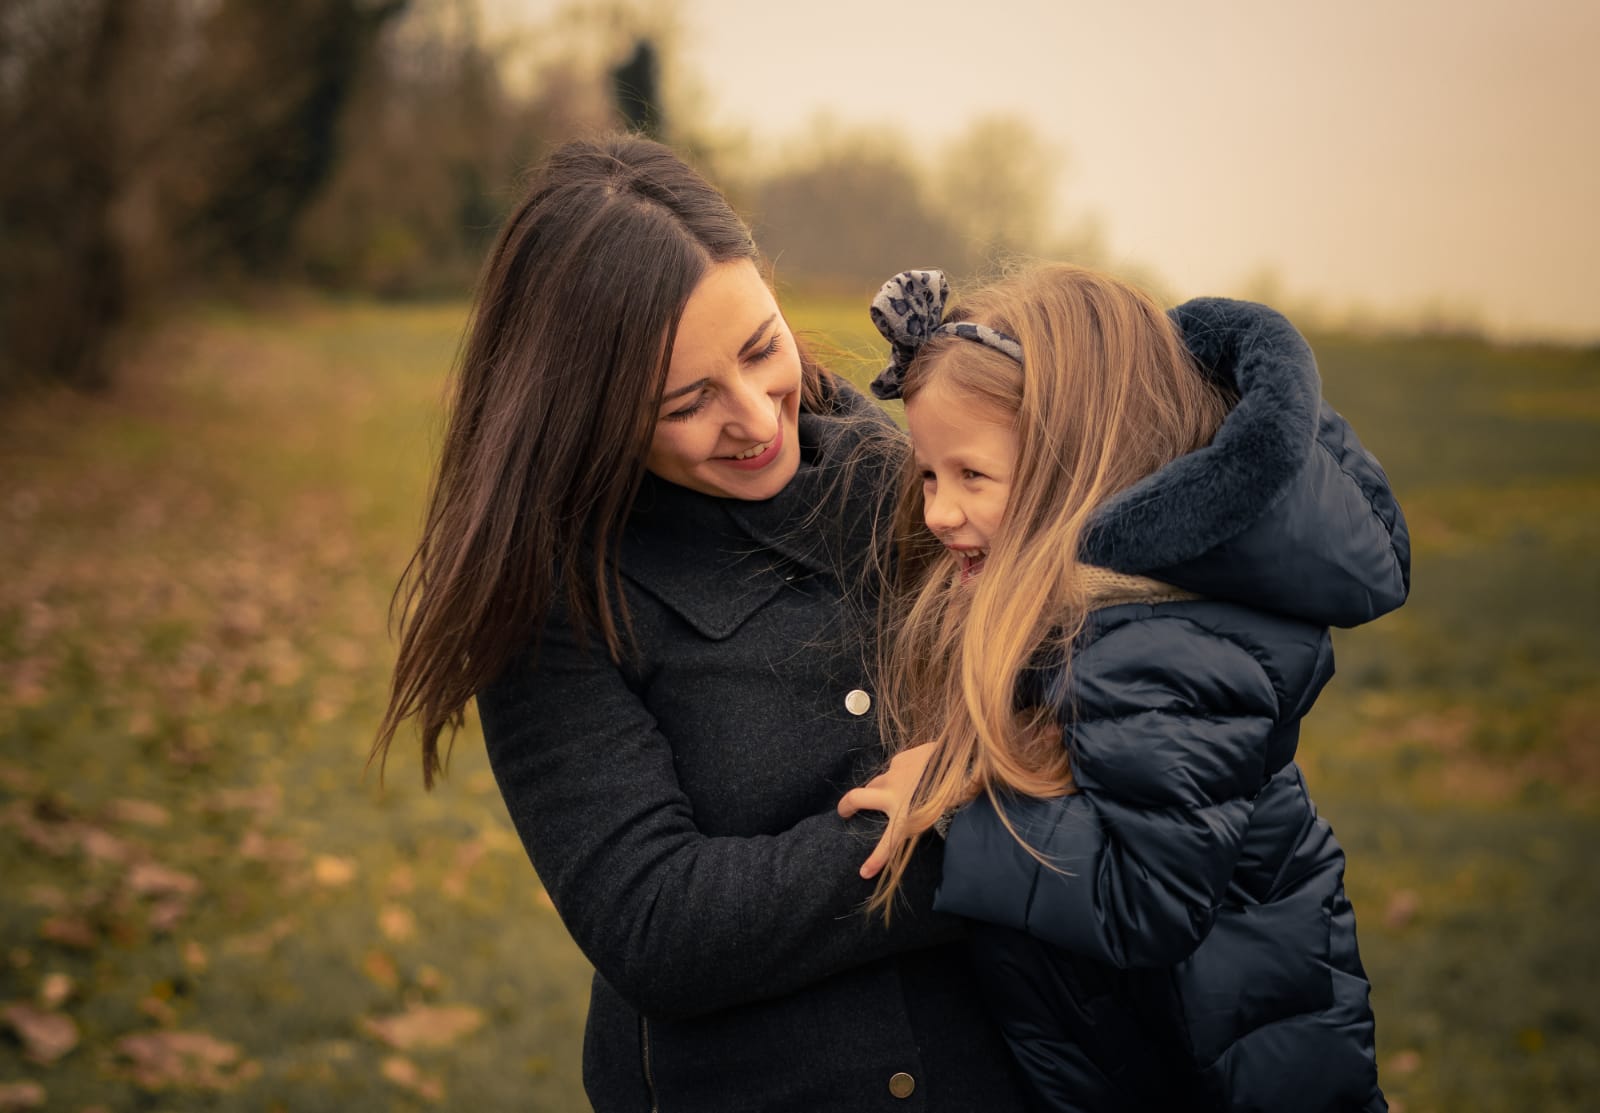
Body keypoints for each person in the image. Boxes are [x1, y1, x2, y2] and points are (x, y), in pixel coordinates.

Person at [371, 137, 1034, 1111]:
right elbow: (657, 925)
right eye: (688, 402)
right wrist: (960, 838)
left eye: (762, 349)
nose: (756, 418)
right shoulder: (554, 600)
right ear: (589, 414)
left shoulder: (916, 488)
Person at [838, 265, 1409, 1112]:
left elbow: (1150, 897)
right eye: (929, 475)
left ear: (1073, 473)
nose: (939, 512)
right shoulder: (1089, 612)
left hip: (1232, 1075)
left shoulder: (1151, 645)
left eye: (972, 477)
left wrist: (959, 805)